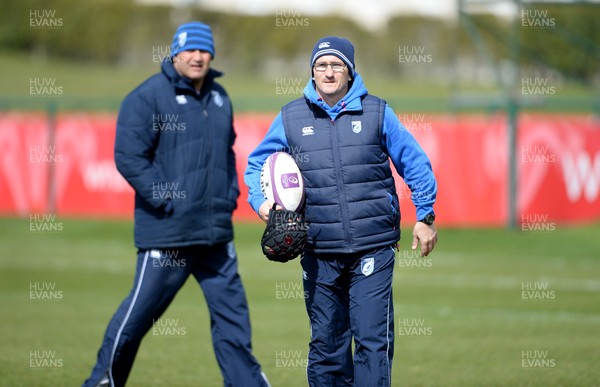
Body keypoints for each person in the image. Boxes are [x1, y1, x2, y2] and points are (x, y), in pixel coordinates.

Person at [84, 22, 270, 387]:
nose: (197, 57)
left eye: (204, 50)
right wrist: (165, 196)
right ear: (174, 53)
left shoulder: (220, 97)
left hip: (216, 235)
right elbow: (129, 156)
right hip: (169, 233)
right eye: (189, 50)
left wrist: (228, 195)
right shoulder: (148, 96)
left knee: (234, 324)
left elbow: (228, 152)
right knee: (136, 319)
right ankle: (102, 382)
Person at [244, 36, 438, 386]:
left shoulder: (378, 111)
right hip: (318, 249)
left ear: (350, 72)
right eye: (321, 66)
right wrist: (262, 204)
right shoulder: (290, 117)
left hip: (372, 247)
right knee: (327, 345)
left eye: (337, 65)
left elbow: (415, 163)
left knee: (371, 341)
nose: (329, 72)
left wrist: (425, 216)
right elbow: (257, 163)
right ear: (312, 72)